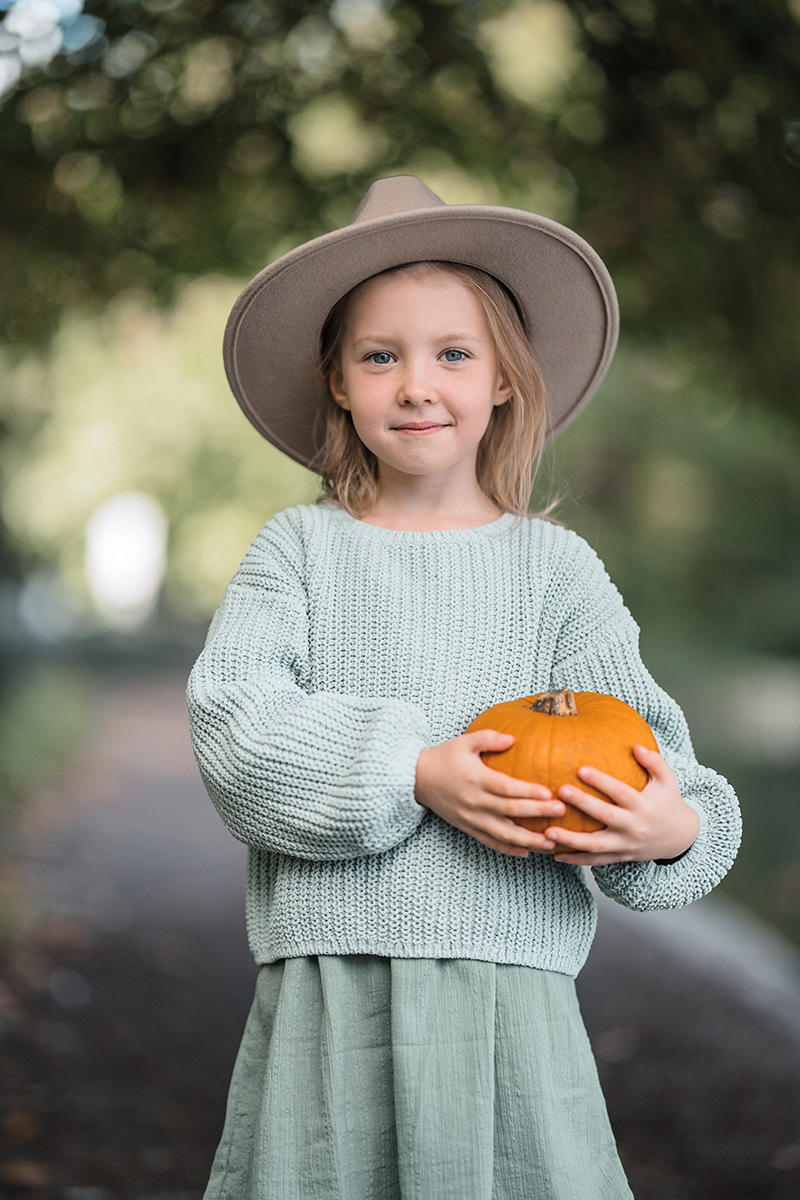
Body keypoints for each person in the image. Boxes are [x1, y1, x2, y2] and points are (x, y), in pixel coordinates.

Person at [187, 176, 741, 1200]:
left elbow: (668, 769)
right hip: (329, 997)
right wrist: (412, 772)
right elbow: (233, 730)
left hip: (509, 1011)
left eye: (452, 353)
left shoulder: (553, 574)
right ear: (340, 384)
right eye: (379, 355)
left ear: (501, 382)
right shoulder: (298, 552)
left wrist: (669, 831)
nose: (415, 384)